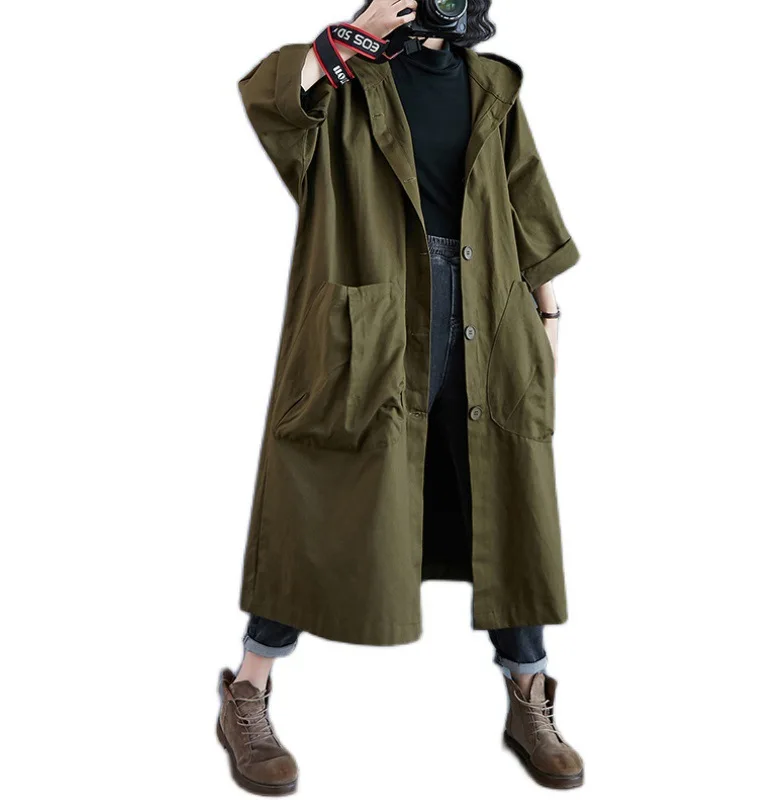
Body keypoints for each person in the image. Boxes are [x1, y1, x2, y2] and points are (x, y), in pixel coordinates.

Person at [217, 0, 584, 793]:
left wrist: (550, 313)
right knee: (321, 490)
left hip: (489, 315)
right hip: (375, 322)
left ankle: (529, 696)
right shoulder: (349, 79)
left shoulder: (491, 86)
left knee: (508, 499)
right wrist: (358, 33)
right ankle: (247, 691)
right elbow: (274, 101)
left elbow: (527, 202)